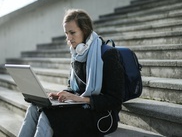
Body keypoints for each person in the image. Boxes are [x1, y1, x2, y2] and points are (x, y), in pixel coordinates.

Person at [18, 9, 124, 137]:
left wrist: (81, 99)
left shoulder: (108, 54)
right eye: (66, 33)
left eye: (72, 32)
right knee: (34, 107)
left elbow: (115, 99)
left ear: (84, 31)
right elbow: (74, 87)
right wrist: (61, 95)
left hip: (101, 115)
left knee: (48, 116)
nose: (68, 38)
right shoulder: (77, 55)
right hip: (80, 106)